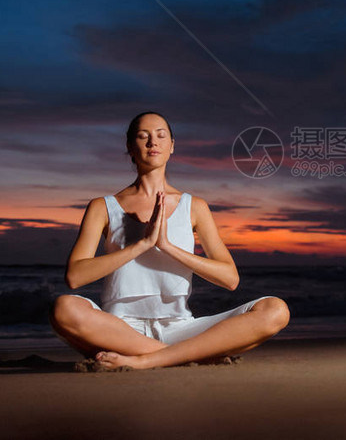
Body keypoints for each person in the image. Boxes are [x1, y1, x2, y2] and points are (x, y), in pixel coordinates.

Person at [49, 111, 290, 370]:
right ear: (130, 147)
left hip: (181, 328)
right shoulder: (102, 206)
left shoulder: (195, 206)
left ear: (172, 146)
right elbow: (75, 276)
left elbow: (230, 279)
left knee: (275, 310)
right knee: (64, 308)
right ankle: (183, 356)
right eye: (143, 137)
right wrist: (140, 245)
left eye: (161, 136)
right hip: (120, 330)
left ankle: (149, 360)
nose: (153, 143)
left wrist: (167, 246)